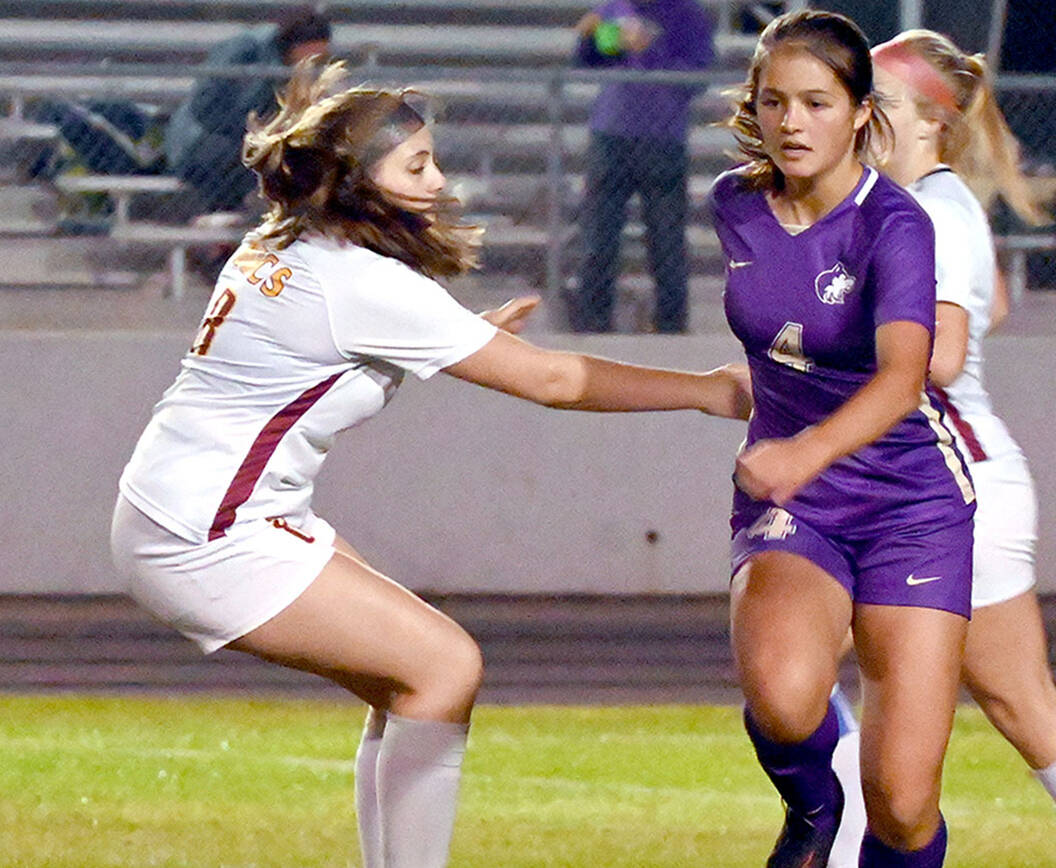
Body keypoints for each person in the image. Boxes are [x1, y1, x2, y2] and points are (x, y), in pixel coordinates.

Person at [110, 61, 751, 868]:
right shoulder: (364, 283)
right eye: (417, 165)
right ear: (355, 182)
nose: (439, 181)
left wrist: (459, 337)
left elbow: (311, 364)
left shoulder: (282, 239)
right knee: (446, 666)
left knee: (408, 681)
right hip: (209, 533)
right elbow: (553, 381)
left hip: (187, 509)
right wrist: (706, 389)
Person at [824, 29, 1056, 868]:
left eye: (876, 99)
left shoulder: (929, 213)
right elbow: (992, 315)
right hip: (924, 482)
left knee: (814, 676)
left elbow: (941, 355)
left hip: (956, 489)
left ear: (927, 124)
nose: (857, 112)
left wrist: (820, 360)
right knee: (835, 682)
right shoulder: (918, 207)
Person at [711, 11, 977, 867]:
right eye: (775, 102)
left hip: (911, 502)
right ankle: (814, 811)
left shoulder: (896, 223)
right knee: (787, 702)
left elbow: (907, 375)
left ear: (862, 111)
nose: (792, 122)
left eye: (817, 102)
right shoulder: (736, 205)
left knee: (902, 803)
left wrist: (800, 451)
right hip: (800, 505)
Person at [569, 0, 715, 333]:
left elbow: (700, 75)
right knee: (598, 235)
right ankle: (592, 322)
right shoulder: (617, 7)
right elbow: (588, 58)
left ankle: (670, 323)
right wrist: (595, 39)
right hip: (611, 133)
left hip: (662, 136)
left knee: (666, 236)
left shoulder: (686, 14)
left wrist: (652, 50)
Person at [164, 6, 332, 215]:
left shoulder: (298, 69)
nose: (314, 64)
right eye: (310, 55)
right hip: (200, 143)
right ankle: (230, 217)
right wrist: (257, 131)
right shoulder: (246, 51)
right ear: (294, 46)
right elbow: (205, 109)